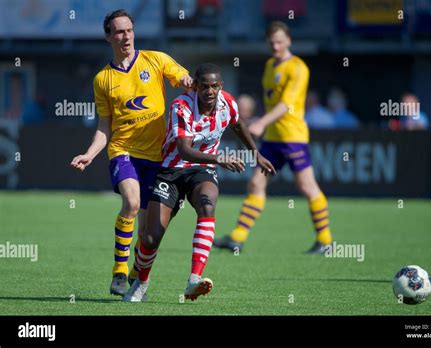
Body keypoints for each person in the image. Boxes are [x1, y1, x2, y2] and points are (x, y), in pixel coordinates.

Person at [123, 63, 275, 302]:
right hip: (170, 171)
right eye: (204, 86)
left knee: (207, 204)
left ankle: (194, 280)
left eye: (215, 86)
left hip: (202, 170)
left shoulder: (228, 103)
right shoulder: (181, 106)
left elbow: (237, 125)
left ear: (221, 86)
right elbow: (184, 151)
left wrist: (256, 153)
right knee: (150, 238)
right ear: (195, 86)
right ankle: (141, 282)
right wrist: (220, 158)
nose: (210, 91)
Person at [70, 9, 193, 296]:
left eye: (129, 30)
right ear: (108, 37)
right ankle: (119, 272)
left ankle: (139, 272)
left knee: (147, 232)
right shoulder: (103, 79)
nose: (125, 36)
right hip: (123, 151)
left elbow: (184, 78)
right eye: (118, 31)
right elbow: (104, 126)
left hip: (157, 156)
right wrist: (90, 153)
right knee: (132, 202)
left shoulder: (156, 59)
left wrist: (190, 83)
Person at [213, 21, 334, 254]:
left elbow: (286, 105)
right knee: (256, 183)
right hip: (272, 138)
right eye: (272, 42)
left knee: (307, 186)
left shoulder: (298, 67)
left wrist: (260, 122)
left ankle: (325, 240)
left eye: (280, 41)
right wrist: (262, 123)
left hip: (292, 137)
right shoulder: (270, 65)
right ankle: (237, 238)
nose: (276, 46)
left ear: (289, 40)